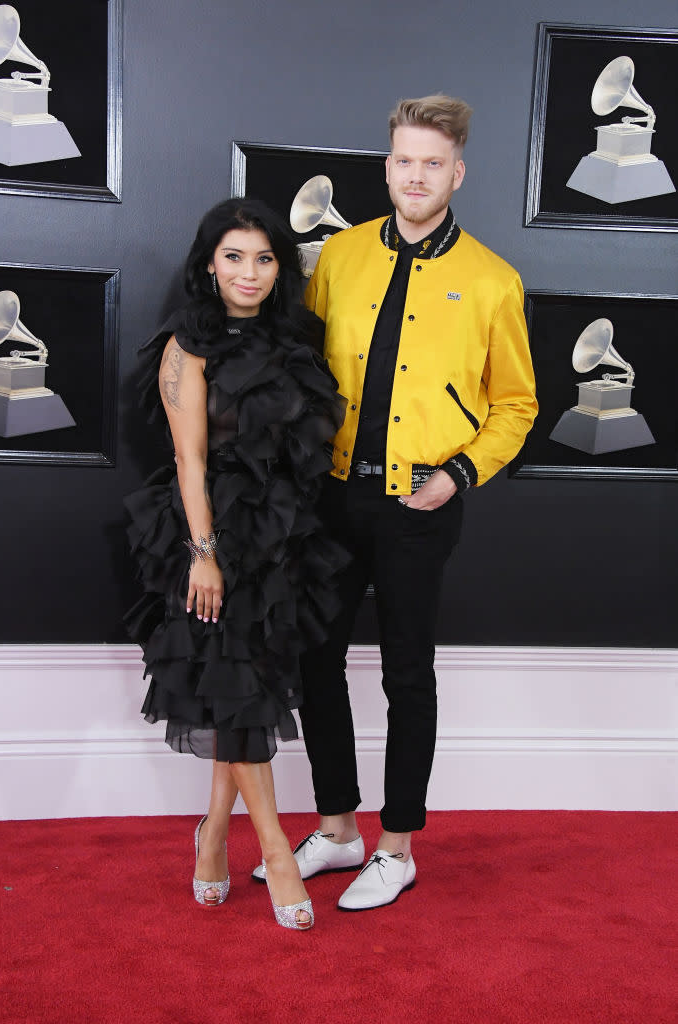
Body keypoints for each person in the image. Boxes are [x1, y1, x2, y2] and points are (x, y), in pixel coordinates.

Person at [253, 94, 538, 910]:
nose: (416, 176)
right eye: (403, 162)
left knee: (408, 673)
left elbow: (515, 404)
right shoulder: (337, 257)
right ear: (388, 168)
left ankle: (397, 845)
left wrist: (458, 474)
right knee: (317, 661)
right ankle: (338, 830)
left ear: (457, 172)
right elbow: (299, 371)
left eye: (432, 164)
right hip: (331, 496)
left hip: (420, 503)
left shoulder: (491, 279)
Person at [124, 198, 347, 930]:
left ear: (280, 267)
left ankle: (214, 833)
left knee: (245, 693)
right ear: (208, 264)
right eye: (233, 257)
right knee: (240, 689)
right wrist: (204, 556)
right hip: (209, 535)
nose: (247, 273)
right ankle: (278, 849)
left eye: (263, 258)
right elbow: (187, 462)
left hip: (282, 539)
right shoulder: (187, 346)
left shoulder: (298, 342)